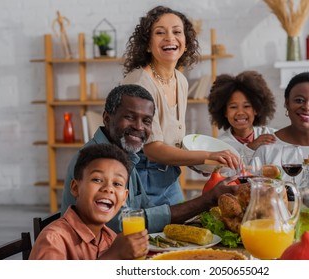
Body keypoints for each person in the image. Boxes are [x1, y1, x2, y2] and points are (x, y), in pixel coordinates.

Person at [61, 84, 239, 234]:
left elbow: (148, 209)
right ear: (107, 118)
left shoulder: (124, 157)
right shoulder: (95, 160)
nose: (139, 127)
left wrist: (196, 216)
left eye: (146, 121)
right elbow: (120, 224)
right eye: (129, 117)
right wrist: (207, 200)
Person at [121, 6, 238, 206]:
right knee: (149, 237)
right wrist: (206, 155)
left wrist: (200, 163)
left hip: (169, 178)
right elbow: (153, 149)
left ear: (186, 42)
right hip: (138, 179)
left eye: (177, 32)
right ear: (147, 45)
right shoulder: (139, 83)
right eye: (160, 32)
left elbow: (172, 140)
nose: (170, 37)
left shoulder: (180, 80)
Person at [30, 144, 149, 260]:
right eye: (97, 179)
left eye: (117, 183)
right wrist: (113, 257)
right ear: (75, 188)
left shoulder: (110, 237)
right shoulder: (53, 240)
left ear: (124, 197)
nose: (108, 188)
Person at [208, 70, 309, 158]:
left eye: (247, 106)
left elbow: (297, 142)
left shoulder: (270, 135)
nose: (240, 112)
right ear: (224, 111)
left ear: (257, 109)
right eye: (233, 107)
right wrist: (251, 147)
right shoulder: (220, 145)